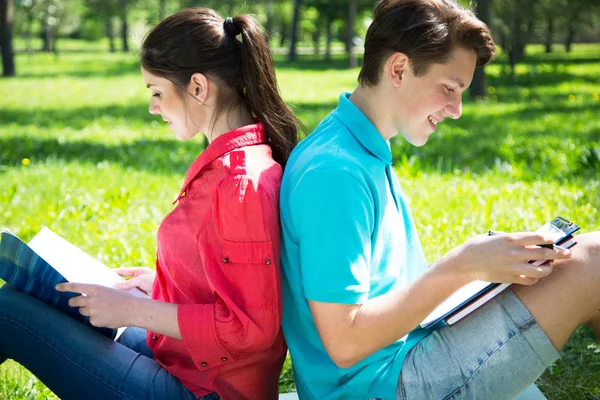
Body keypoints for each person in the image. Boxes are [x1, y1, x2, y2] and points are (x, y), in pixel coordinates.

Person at [278, 0, 600, 399]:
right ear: (398, 69)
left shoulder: (357, 149)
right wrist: (463, 265)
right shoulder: (336, 172)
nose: (457, 110)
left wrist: (484, 272)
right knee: (594, 261)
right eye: (449, 89)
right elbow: (345, 343)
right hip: (383, 385)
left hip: (403, 357)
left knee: (573, 260)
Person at [0, 8, 301, 400]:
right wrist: (160, 287)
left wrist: (130, 310)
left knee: (6, 314)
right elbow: (227, 282)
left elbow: (251, 330)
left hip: (206, 390)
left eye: (157, 92)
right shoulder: (233, 164)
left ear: (198, 87)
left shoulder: (239, 183)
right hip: (186, 364)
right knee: (22, 296)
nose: (153, 108)